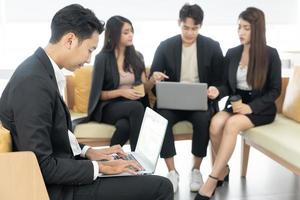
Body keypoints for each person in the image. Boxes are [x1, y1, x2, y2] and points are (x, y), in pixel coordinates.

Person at [0, 4, 173, 200]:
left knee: (141, 176)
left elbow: (55, 136)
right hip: (58, 190)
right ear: (70, 40)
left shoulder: (40, 70)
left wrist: (89, 152)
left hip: (65, 175)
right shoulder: (33, 83)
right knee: (161, 186)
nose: (89, 59)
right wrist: (101, 167)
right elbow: (42, 165)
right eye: (89, 50)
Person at [195, 7, 282, 200]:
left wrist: (251, 107)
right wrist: (218, 91)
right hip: (236, 104)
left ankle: (211, 180)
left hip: (260, 108)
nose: (240, 32)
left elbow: (275, 90)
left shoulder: (271, 55)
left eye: (246, 28)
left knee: (232, 124)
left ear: (257, 30)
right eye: (239, 27)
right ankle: (223, 169)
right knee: (216, 123)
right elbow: (227, 85)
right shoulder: (233, 53)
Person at [150, 3, 224, 193]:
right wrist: (155, 78)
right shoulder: (165, 46)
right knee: (162, 117)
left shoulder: (212, 47)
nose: (190, 33)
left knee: (203, 119)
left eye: (194, 28)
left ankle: (196, 170)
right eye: (186, 27)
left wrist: (216, 90)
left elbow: (222, 82)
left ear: (200, 27)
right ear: (179, 23)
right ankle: (172, 171)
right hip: (172, 104)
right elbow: (153, 80)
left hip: (199, 103)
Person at [87, 16, 164, 151]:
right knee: (136, 108)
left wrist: (152, 80)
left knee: (124, 126)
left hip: (131, 108)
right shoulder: (102, 58)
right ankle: (138, 158)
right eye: (126, 32)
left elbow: (143, 90)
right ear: (114, 34)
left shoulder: (137, 56)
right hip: (108, 107)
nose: (131, 35)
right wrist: (122, 92)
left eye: (131, 31)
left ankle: (111, 157)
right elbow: (98, 95)